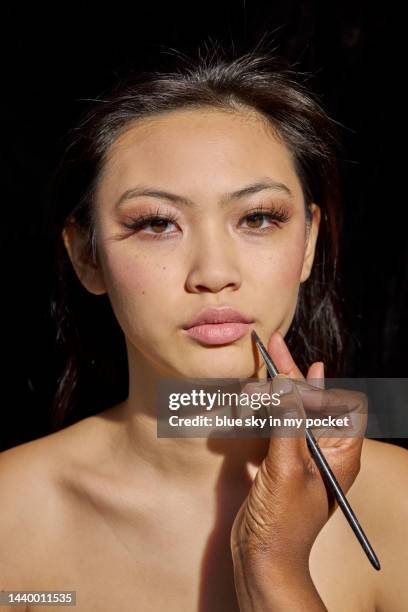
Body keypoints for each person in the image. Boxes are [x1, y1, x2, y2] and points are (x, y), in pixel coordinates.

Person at [0, 46, 407, 611]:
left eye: (258, 218)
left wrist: (271, 564)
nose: (214, 274)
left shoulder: (404, 505)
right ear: (86, 257)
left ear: (309, 242)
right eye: (156, 224)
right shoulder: (9, 516)